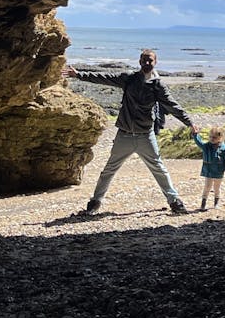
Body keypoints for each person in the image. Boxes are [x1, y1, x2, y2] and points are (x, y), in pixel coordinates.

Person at [62, 49, 198, 214]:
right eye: (144, 60)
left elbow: (172, 105)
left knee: (158, 169)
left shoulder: (158, 85)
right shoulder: (130, 79)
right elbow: (105, 78)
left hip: (145, 136)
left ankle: (175, 201)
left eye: (150, 61)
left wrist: (189, 122)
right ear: (139, 62)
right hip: (124, 135)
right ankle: (95, 202)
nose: (147, 63)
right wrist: (79, 75)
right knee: (109, 170)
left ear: (155, 62)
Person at [191, 125, 225, 210]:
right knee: (207, 187)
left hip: (219, 172)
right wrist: (195, 135)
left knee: (217, 188)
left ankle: (216, 203)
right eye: (210, 137)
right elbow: (199, 142)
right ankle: (203, 204)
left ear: (220, 138)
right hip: (208, 171)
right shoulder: (206, 146)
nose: (212, 139)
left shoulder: (224, 149)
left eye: (214, 137)